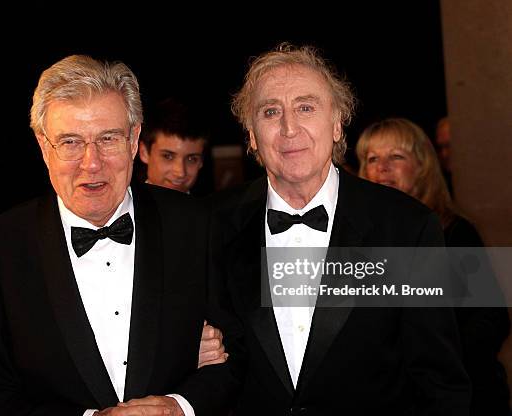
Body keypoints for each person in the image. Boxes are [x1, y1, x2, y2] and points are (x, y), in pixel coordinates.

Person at [0, 55, 237, 416]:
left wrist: (179, 407)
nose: (91, 163)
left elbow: (237, 358)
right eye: (70, 142)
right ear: (43, 147)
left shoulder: (197, 225)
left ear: (134, 140)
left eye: (108, 138)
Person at [207, 43, 470, 415]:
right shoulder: (210, 225)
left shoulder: (406, 228)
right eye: (270, 112)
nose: (289, 127)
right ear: (251, 135)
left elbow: (439, 379)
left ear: (337, 124)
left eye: (306, 107)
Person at [356, 117, 511, 415]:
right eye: (372, 158)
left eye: (396, 156)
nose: (382, 167)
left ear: (423, 166)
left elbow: (492, 321)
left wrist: (434, 360)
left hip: (463, 399)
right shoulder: (359, 242)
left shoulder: (455, 232)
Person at [138, 98, 207, 193]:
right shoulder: (121, 206)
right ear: (144, 152)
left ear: (201, 161)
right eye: (168, 156)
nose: (180, 172)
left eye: (192, 159)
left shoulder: (210, 207)